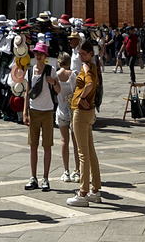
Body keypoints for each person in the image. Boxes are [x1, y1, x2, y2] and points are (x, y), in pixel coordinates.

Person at [66, 38, 101, 207]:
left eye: (83, 54)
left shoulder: (87, 67)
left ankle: (83, 192)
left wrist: (80, 98)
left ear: (90, 54)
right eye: (79, 54)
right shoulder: (94, 67)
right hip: (89, 113)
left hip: (81, 113)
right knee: (90, 151)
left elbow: (88, 84)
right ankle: (95, 189)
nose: (81, 57)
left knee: (82, 153)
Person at [24, 41, 59, 190]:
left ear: (45, 56)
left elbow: (58, 90)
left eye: (41, 53)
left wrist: (53, 82)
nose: (38, 55)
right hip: (33, 110)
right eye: (36, 53)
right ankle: (33, 177)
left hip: (47, 111)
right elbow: (27, 93)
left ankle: (45, 177)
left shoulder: (51, 70)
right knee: (33, 146)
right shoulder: (30, 71)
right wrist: (25, 112)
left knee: (47, 146)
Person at [55, 52, 79, 183]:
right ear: (69, 62)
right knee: (76, 142)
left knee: (64, 141)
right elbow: (76, 92)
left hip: (61, 111)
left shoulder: (56, 76)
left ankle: (66, 171)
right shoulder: (73, 75)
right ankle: (77, 170)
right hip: (73, 112)